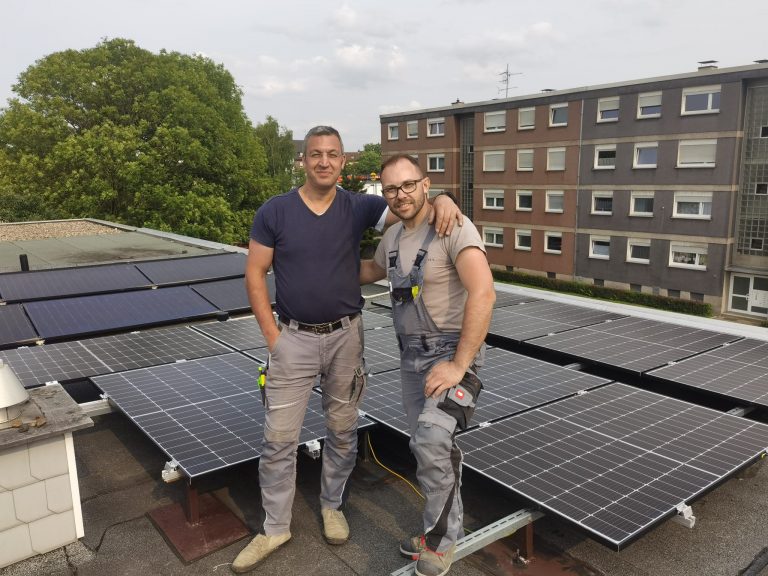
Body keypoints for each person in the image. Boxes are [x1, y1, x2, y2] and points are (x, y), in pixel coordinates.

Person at [232, 127, 462, 573]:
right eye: (316, 154)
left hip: (346, 337)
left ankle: (332, 506)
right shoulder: (274, 211)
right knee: (278, 439)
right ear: (303, 160)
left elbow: (410, 204)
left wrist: (446, 199)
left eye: (333, 154)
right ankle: (274, 527)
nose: (324, 161)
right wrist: (273, 338)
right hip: (293, 339)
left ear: (342, 162)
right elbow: (254, 273)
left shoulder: (359, 206)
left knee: (342, 430)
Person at [359, 154, 495, 576]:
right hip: (411, 360)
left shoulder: (453, 226)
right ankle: (437, 528)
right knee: (427, 447)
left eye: (407, 185)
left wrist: (458, 365)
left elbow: (484, 293)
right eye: (390, 189)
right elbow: (371, 269)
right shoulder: (392, 237)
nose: (400, 194)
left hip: (453, 355)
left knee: (434, 441)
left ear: (425, 184)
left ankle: (439, 543)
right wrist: (313, 264)